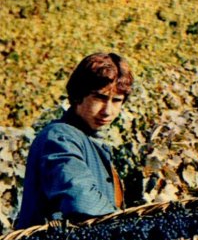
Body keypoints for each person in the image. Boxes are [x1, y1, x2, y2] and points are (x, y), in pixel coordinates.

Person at [15, 52, 134, 229]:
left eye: (116, 101)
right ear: (78, 96)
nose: (108, 111)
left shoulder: (86, 139)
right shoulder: (60, 137)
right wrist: (125, 229)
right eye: (99, 98)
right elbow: (83, 201)